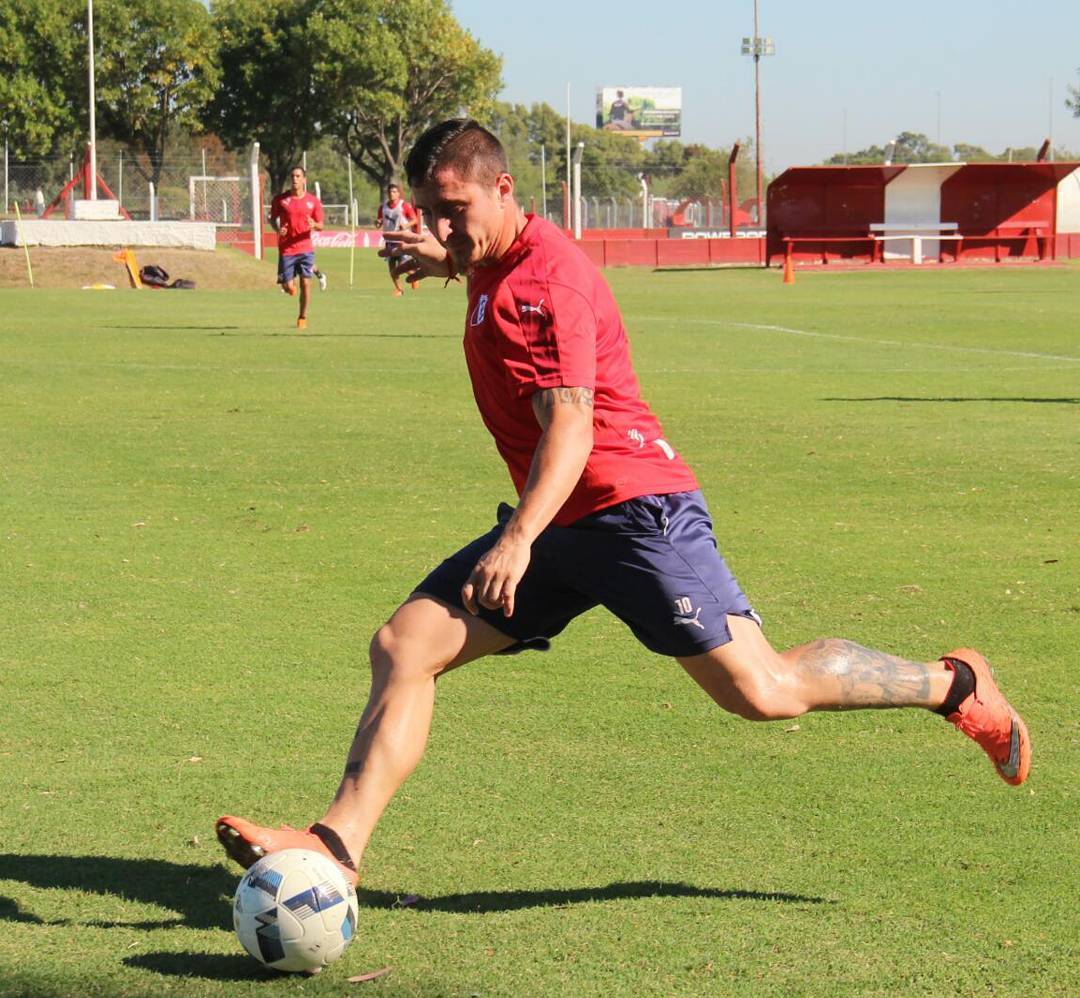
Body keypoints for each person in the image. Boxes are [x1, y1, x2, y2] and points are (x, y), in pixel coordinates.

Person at [217, 119, 1031, 886]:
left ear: (503, 188)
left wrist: (518, 539)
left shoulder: (547, 284)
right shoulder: (497, 256)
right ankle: (336, 846)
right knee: (404, 646)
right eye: (430, 213)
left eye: (454, 211)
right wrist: (449, 261)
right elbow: (487, 270)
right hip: (562, 522)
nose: (444, 228)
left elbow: (569, 424)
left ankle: (952, 683)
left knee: (765, 692)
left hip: (633, 513)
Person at [269, 166, 325, 329]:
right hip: (287, 249)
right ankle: (289, 288)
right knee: (287, 287)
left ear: (304, 180)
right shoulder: (281, 200)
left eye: (298, 176)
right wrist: (278, 229)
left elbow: (321, 225)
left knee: (306, 284)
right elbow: (272, 219)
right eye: (293, 176)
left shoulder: (313, 201)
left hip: (305, 248)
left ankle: (302, 317)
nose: (295, 179)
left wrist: (314, 224)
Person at [375, 182, 421, 296]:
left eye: (394, 192)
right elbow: (379, 223)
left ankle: (415, 276)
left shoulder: (404, 206)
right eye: (390, 192)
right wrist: (378, 222)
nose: (391, 194)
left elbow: (414, 220)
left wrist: (406, 225)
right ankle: (399, 289)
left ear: (399, 194)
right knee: (392, 267)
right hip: (389, 241)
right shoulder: (383, 207)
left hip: (402, 240)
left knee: (403, 265)